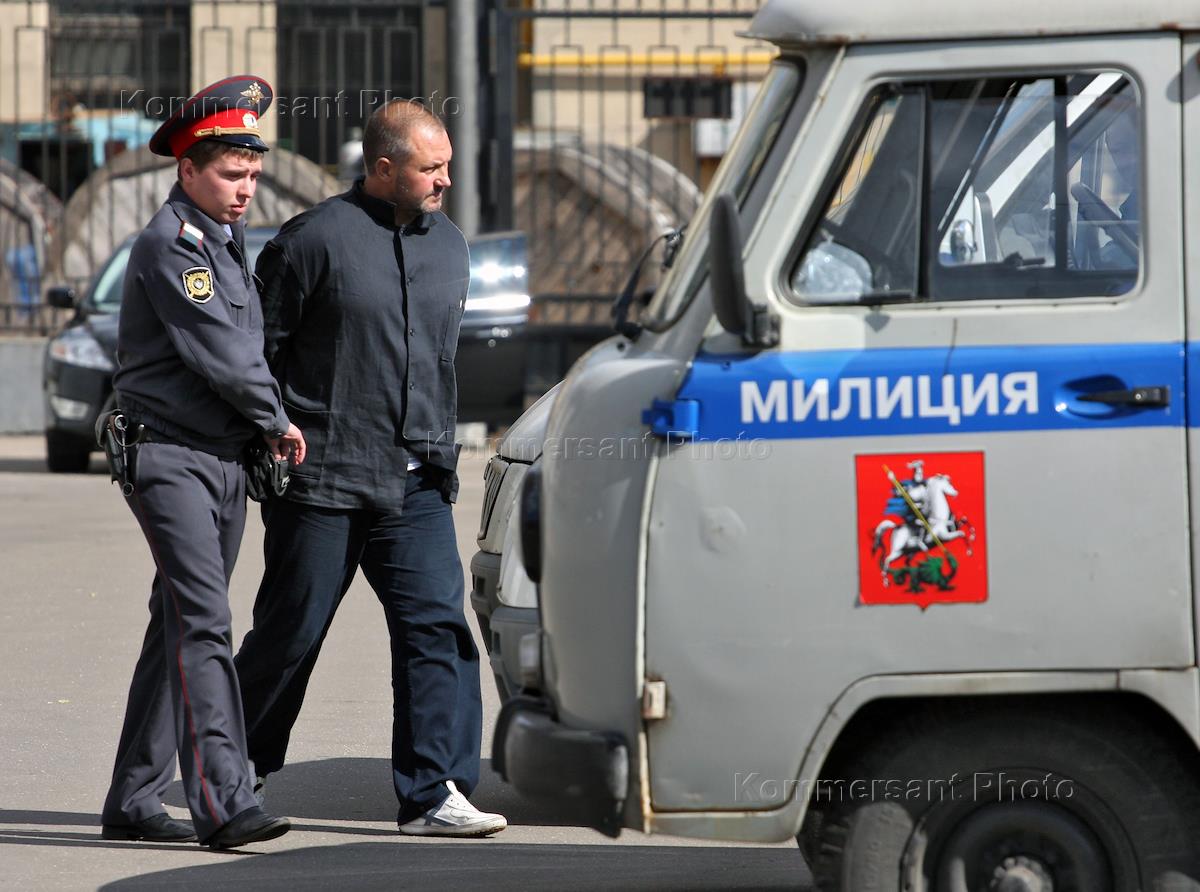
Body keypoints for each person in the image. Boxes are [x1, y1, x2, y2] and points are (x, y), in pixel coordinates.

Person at [233, 99, 506, 837]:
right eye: (431, 168)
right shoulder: (312, 241)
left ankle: (434, 793)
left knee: (437, 630)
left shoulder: (450, 245)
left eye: (447, 165)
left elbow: (438, 359)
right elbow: (260, 352)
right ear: (383, 168)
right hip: (323, 478)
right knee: (291, 631)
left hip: (416, 481)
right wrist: (268, 436)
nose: (445, 180)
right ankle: (232, 770)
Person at [99, 75, 306, 850]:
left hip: (219, 459)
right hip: (169, 457)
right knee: (205, 624)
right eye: (230, 173)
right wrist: (277, 419)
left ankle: (133, 797)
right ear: (187, 169)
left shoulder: (222, 239)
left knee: (178, 622)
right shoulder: (173, 245)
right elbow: (223, 353)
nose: (246, 188)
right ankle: (224, 803)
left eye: (252, 174)